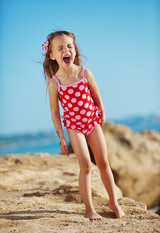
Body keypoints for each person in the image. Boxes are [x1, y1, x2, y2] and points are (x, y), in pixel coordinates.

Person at [42, 30, 126, 220]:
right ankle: (89, 209)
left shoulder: (84, 72)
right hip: (74, 127)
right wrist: (61, 137)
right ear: (52, 55)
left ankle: (113, 202)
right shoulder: (55, 83)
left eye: (69, 46)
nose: (66, 50)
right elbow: (55, 113)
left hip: (92, 122)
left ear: (75, 49)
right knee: (86, 165)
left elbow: (97, 95)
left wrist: (102, 111)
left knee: (103, 162)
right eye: (60, 48)